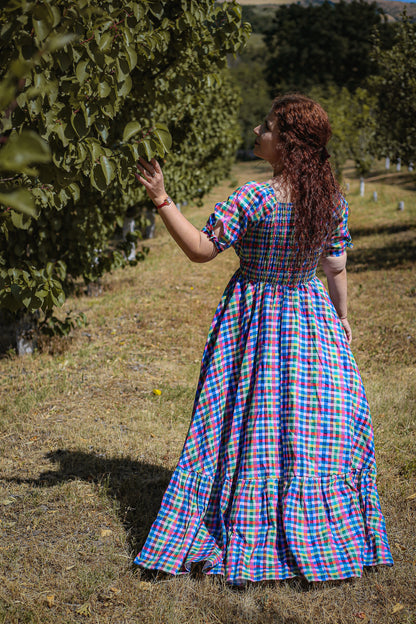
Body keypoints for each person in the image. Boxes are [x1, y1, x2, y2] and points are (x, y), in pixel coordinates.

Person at [133, 93, 394, 584]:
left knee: (245, 417)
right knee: (304, 424)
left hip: (252, 318)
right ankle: (313, 527)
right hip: (309, 317)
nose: (257, 130)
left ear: (288, 143)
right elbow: (336, 265)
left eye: (267, 126)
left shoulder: (253, 198)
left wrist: (162, 200)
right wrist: (341, 318)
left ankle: (246, 520)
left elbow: (200, 251)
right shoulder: (330, 201)